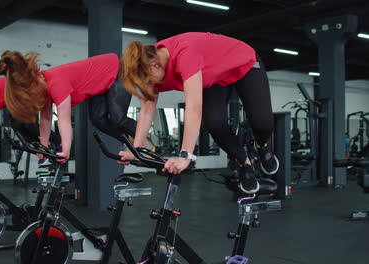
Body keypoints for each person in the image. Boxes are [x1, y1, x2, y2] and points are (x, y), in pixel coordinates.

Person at [119, 32, 279, 194]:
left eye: (147, 81)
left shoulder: (185, 55)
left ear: (155, 66)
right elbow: (146, 110)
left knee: (262, 123)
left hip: (244, 63)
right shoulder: (150, 63)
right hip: (214, 77)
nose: (149, 86)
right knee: (214, 123)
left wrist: (185, 156)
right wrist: (137, 150)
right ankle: (245, 163)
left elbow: (194, 107)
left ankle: (262, 145)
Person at [0, 51, 144, 163]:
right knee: (98, 120)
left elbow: (63, 121)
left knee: (117, 117)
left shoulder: (57, 84)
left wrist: (65, 150)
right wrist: (43, 147)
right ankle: (133, 142)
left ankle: (147, 145)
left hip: (117, 69)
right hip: (102, 83)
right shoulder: (43, 87)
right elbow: (45, 119)